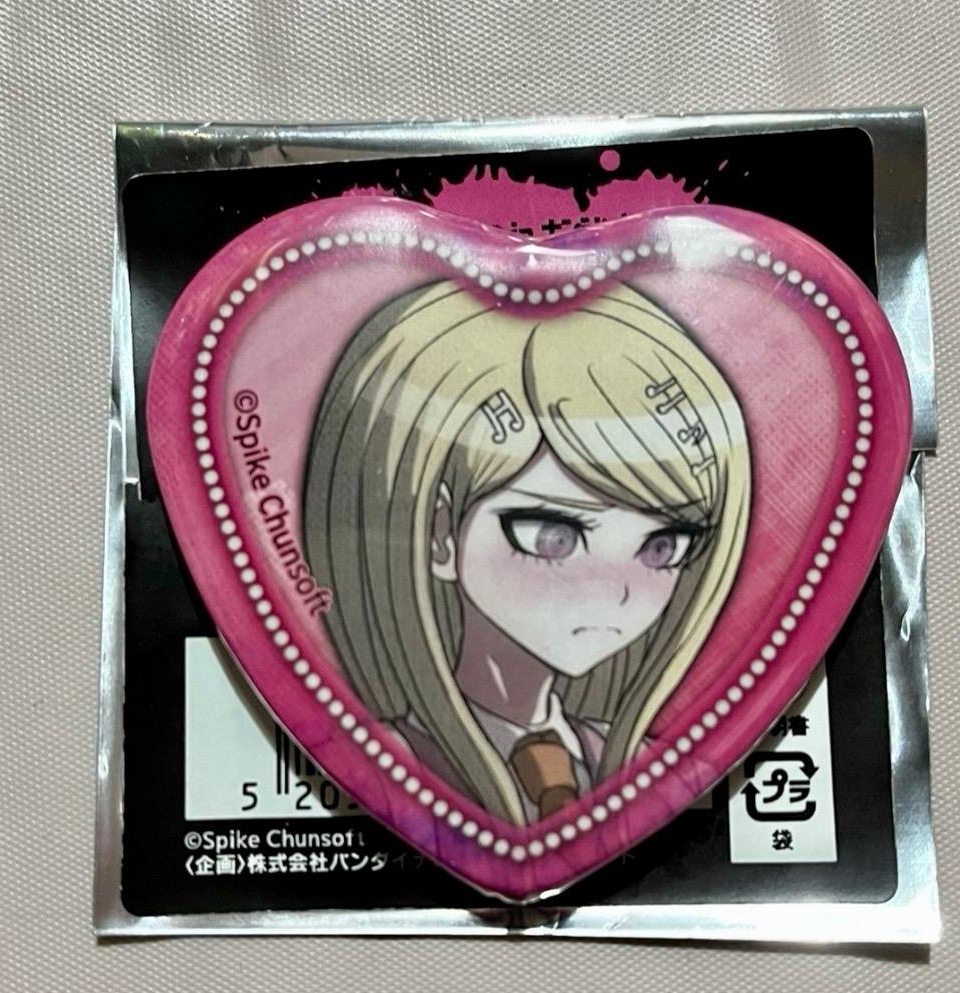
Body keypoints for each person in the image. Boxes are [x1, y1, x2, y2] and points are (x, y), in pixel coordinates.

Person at [304, 280, 750, 825]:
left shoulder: (642, 768)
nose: (616, 592)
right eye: (552, 538)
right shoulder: (384, 765)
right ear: (440, 533)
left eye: (662, 547)